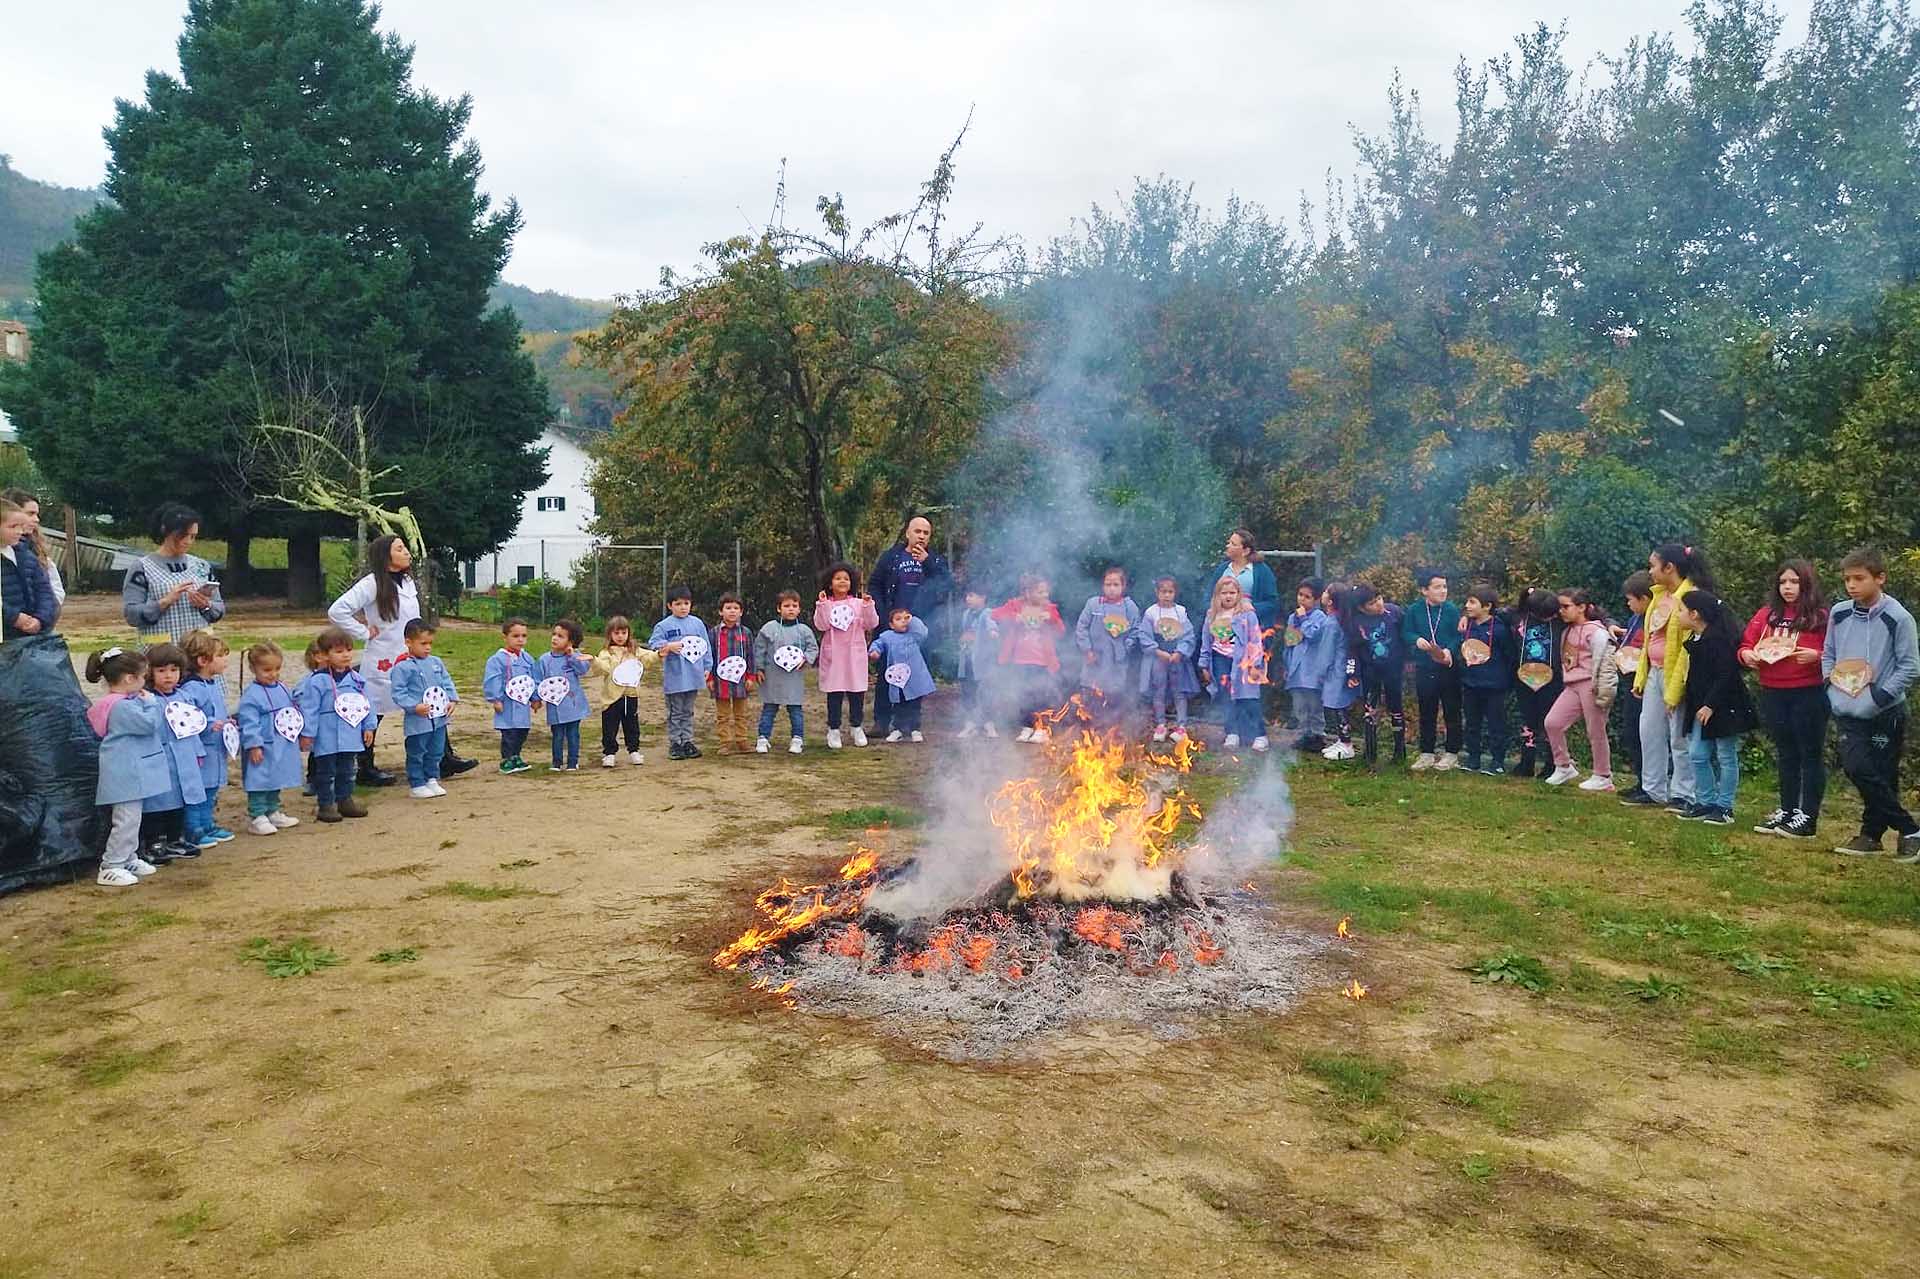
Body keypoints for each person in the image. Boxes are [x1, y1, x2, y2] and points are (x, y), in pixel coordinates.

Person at [328, 535, 478, 787]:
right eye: (399, 549)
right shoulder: (372, 583)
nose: (407, 552)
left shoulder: (408, 582)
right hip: (383, 659)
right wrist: (363, 632)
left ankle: (443, 758)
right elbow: (337, 610)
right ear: (386, 556)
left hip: (411, 655)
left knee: (428, 701)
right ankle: (365, 766)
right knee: (374, 710)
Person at [1823, 548, 1920, 861]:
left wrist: (1879, 696)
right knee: (1856, 767)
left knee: (1883, 773)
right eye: (1847, 579)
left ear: (1880, 578)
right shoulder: (1838, 613)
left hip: (1885, 711)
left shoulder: (1898, 618)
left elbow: (1909, 666)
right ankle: (1910, 828)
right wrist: (1830, 687)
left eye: (1859, 578)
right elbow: (1829, 654)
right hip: (1847, 708)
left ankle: (1871, 836)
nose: (1852, 585)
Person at [1739, 561, 1829, 839]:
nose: (1788, 588)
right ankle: (1787, 809)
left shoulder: (1821, 616)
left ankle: (1808, 816)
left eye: (1794, 582)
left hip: (1808, 691)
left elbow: (1836, 653)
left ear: (1806, 584)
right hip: (1772, 690)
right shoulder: (1767, 614)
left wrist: (1818, 657)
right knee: (1786, 751)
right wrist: (1747, 656)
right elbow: (1745, 644)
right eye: (1783, 582)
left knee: (1809, 753)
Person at [1636, 543, 1712, 813]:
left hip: (1676, 677)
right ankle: (1653, 788)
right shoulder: (1658, 596)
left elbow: (1685, 648)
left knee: (1678, 736)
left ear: (1670, 568)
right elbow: (1650, 638)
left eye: (1653, 566)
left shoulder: (1690, 597)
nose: (1650, 572)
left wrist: (1674, 690)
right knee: (1649, 730)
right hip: (1655, 672)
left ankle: (1684, 793)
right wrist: (1642, 676)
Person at [85, 647, 166, 887]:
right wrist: (152, 704)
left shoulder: (118, 703)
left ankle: (128, 857)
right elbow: (149, 724)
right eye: (143, 677)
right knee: (126, 820)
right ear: (130, 678)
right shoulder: (121, 706)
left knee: (132, 818)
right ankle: (111, 864)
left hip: (128, 771)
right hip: (125, 773)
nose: (145, 682)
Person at [1677, 590, 1755, 826]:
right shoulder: (1695, 640)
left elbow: (1725, 675)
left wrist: (1711, 704)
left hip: (1724, 707)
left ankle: (1724, 807)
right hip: (1700, 708)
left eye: (1681, 610)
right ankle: (1705, 801)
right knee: (1698, 754)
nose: (1678, 615)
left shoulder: (1718, 641)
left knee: (1725, 755)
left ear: (1695, 614)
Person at [868, 514, 952, 736]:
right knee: (887, 674)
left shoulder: (934, 560)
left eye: (926, 533)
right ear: (907, 533)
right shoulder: (891, 556)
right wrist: (883, 614)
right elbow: (875, 584)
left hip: (919, 631)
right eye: (917, 531)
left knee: (916, 676)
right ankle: (881, 722)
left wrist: (927, 562)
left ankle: (910, 724)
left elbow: (947, 584)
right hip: (890, 627)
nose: (921, 536)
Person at [1200, 528, 1281, 716]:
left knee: (1248, 684)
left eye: (1233, 543)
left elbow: (1272, 602)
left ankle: (1254, 727)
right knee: (1225, 683)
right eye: (1229, 542)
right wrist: (1212, 611)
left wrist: (1252, 607)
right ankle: (1232, 727)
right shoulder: (1223, 569)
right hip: (1223, 637)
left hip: (1250, 635)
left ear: (1245, 550)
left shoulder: (1260, 571)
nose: (1228, 546)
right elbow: (1211, 595)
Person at [297, 627, 374, 822]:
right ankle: (326, 805)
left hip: (350, 734)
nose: (346, 655)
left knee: (348, 770)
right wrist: (308, 734)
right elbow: (310, 710)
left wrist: (369, 726)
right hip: (326, 736)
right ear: (324, 655)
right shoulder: (317, 682)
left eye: (348, 650)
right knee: (326, 772)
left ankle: (345, 800)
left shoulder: (357, 679)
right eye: (339, 651)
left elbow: (366, 704)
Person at [1543, 589, 1615, 792]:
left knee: (1596, 730)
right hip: (1572, 684)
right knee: (1553, 722)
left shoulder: (1596, 631)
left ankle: (1603, 775)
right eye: (1560, 607)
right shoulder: (1566, 629)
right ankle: (1564, 766)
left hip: (1590, 684)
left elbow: (1605, 660)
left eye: (1566, 607)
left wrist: (1600, 686)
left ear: (1582, 607)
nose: (1561, 611)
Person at [122, 502, 225, 644]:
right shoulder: (142, 568)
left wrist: (205, 605)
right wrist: (164, 602)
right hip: (162, 657)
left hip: (200, 653)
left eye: (193, 536)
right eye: (183, 535)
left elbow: (219, 607)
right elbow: (131, 615)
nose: (188, 541)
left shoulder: (202, 566)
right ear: (166, 531)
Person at [141, 643, 206, 862]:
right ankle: (154, 842)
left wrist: (198, 752)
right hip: (160, 759)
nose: (168, 676)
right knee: (158, 802)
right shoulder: (147, 700)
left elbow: (193, 728)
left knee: (180, 800)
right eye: (161, 671)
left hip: (185, 757)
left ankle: (174, 839)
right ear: (150, 672)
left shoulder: (185, 697)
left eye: (173, 670)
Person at [236, 641, 305, 835]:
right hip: (264, 744)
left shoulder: (281, 687)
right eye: (267, 670)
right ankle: (257, 815)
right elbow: (248, 722)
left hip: (281, 741)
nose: (273, 674)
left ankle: (272, 810)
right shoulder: (252, 695)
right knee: (259, 779)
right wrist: (254, 744)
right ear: (253, 668)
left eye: (277, 669)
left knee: (276, 777)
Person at [991, 574, 1066, 743]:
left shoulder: (1050, 609)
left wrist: (1052, 619)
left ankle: (1042, 729)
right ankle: (1026, 727)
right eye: (1040, 592)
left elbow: (1061, 630)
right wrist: (1013, 617)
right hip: (1021, 661)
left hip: (1043, 662)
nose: (1045, 595)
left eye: (1046, 592)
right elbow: (994, 614)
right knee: (1024, 695)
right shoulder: (1016, 606)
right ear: (1027, 593)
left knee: (1041, 695)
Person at [389, 618, 460, 799]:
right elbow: (398, 693)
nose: (427, 648)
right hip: (418, 720)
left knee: (436, 750)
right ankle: (416, 782)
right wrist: (414, 706)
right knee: (417, 751)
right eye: (423, 643)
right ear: (408, 642)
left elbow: (446, 681)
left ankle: (432, 778)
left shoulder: (436, 662)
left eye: (430, 643)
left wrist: (452, 699)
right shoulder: (402, 667)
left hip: (439, 719)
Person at [179, 629, 237, 847]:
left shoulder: (211, 684)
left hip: (215, 747)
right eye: (221, 655)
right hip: (201, 749)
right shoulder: (191, 688)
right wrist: (210, 725)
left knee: (211, 787)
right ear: (203, 660)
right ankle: (194, 829)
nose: (225, 660)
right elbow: (189, 719)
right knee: (198, 789)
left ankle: (208, 824)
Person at [1200, 576, 1269, 753]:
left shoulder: (1247, 614)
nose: (1228, 596)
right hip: (1220, 660)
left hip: (1243, 662)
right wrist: (1205, 664)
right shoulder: (1212, 615)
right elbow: (1206, 641)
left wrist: (1255, 664)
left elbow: (1255, 640)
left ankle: (1260, 735)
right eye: (1224, 593)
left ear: (1239, 594)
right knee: (1226, 697)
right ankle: (1232, 732)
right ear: (1217, 595)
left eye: (1232, 592)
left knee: (1248, 699)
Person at [815, 562, 879, 750]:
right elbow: (821, 625)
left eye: (846, 578)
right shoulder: (825, 603)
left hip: (854, 654)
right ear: (830, 583)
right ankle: (833, 729)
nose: (842, 581)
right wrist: (823, 605)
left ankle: (856, 726)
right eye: (837, 578)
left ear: (852, 583)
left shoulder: (858, 604)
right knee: (834, 693)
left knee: (856, 692)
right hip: (834, 654)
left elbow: (871, 623)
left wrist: (868, 606)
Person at [1403, 570, 1463, 770]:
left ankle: (1452, 753)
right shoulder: (1414, 610)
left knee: (1451, 711)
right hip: (1425, 667)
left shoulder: (1452, 610)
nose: (1443, 591)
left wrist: (1448, 651)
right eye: (1437, 587)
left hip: (1447, 668)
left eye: (1444, 586)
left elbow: (1458, 636)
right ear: (1424, 590)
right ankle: (1426, 753)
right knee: (1427, 710)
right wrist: (1416, 640)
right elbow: (1406, 631)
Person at [650, 586, 713, 760]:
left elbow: (705, 646)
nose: (683, 607)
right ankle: (675, 743)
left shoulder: (697, 623)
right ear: (670, 606)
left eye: (686, 603)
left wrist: (708, 667)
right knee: (675, 711)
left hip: (694, 676)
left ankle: (687, 741)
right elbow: (653, 643)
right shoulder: (663, 626)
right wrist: (668, 646)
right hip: (676, 677)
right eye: (678, 604)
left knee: (688, 710)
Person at [1458, 583, 1514, 776]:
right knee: (1472, 723)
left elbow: (1509, 656)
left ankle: (1497, 761)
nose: (1467, 605)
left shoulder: (1499, 629)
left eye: (1472, 602)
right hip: (1471, 684)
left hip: (1494, 687)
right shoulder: (1466, 626)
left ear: (1487, 606)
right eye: (1467, 601)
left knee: (1496, 724)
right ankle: (1473, 758)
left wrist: (1504, 680)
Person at [754, 590, 818, 754]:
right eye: (786, 605)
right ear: (778, 608)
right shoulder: (769, 628)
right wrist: (759, 668)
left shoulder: (804, 630)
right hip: (772, 676)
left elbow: (812, 648)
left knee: (795, 710)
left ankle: (797, 739)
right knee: (769, 708)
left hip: (793, 677)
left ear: (799, 609)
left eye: (794, 606)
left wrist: (806, 659)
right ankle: (763, 738)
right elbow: (759, 649)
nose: (790, 609)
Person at [1137, 575, 1200, 743]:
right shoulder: (1151, 612)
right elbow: (1143, 635)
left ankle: (1181, 726)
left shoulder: (1180, 611)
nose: (1166, 595)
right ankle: (1160, 724)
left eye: (1170, 592)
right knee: (1159, 690)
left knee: (1179, 691)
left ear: (1175, 593)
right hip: (1159, 657)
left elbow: (1188, 635)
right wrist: (1157, 651)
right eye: (1163, 591)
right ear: (1157, 592)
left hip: (1177, 657)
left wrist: (1180, 652)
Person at [1075, 566, 1141, 724]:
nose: (1111, 589)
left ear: (1123, 586)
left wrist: (1127, 646)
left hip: (1116, 660)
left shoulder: (1129, 607)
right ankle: (1089, 727)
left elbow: (1136, 630)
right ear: (1102, 586)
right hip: (1095, 658)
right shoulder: (1093, 604)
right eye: (1108, 584)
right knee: (1091, 691)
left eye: (1116, 585)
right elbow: (1081, 627)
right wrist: (1087, 649)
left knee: (1113, 692)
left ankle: (1111, 727)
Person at [1350, 585, 1406, 769]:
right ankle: (1370, 752)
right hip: (1370, 672)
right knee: (1370, 709)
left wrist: (1410, 659)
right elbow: (1353, 650)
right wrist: (1352, 672)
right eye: (1372, 603)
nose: (1378, 604)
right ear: (1361, 608)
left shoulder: (1395, 613)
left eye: (1379, 599)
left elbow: (1406, 636)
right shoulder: (1357, 622)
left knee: (1396, 707)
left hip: (1393, 669)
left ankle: (1400, 751)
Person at [1512, 589, 1563, 779]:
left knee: (1551, 722)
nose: (1549, 618)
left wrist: (1610, 624)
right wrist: (1466, 618)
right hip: (1524, 680)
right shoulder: (1519, 617)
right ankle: (1527, 763)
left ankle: (1553, 765)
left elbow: (1595, 615)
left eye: (1552, 615)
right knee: (1528, 721)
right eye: (1544, 616)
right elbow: (1492, 613)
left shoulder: (1560, 620)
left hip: (1552, 681)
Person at [1613, 572, 1654, 804]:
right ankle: (1641, 780)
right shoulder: (1633, 620)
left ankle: (1651, 784)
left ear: (1645, 599)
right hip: (1630, 680)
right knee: (1632, 732)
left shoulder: (1652, 620)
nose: (1628, 604)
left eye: (1631, 599)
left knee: (1646, 735)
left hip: (1646, 683)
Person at [591, 616, 651, 767]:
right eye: (616, 633)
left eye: (623, 633)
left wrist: (660, 654)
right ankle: (609, 753)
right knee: (610, 726)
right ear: (610, 634)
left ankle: (634, 751)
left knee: (631, 725)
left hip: (630, 696)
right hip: (611, 698)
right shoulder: (606, 653)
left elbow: (648, 657)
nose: (620, 636)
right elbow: (603, 668)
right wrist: (593, 660)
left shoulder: (634, 651)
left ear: (628, 634)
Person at [483, 617, 540, 775]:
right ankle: (506, 759)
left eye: (524, 636)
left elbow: (533, 679)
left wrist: (535, 698)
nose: (520, 640)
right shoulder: (497, 660)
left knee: (522, 731)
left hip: (522, 705)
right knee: (509, 733)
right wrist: (496, 698)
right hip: (507, 704)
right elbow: (493, 679)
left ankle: (516, 756)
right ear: (505, 637)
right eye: (515, 636)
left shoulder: (527, 659)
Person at [870, 607, 935, 742]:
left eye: (906, 618)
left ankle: (915, 729)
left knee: (914, 705)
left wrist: (912, 620)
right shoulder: (887, 636)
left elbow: (923, 632)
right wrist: (874, 651)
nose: (903, 621)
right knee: (899, 704)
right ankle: (898, 729)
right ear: (891, 624)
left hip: (914, 678)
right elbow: (878, 643)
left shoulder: (914, 635)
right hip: (897, 679)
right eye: (898, 619)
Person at [1281, 579, 1332, 751]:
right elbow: (1290, 642)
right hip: (1296, 670)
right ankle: (1304, 735)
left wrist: (1303, 619)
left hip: (1312, 670)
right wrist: (1287, 666)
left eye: (1307, 597)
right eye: (1300, 595)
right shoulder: (1292, 618)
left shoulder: (1320, 617)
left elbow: (1313, 635)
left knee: (1314, 705)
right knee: (1299, 706)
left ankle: (1318, 736)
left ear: (1316, 599)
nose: (1302, 599)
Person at [537, 618, 592, 772]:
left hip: (573, 704)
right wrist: (537, 698)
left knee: (573, 734)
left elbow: (582, 670)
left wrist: (572, 656)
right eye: (554, 634)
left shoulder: (575, 656)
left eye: (560, 636)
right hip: (555, 706)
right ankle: (556, 762)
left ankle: (573, 762)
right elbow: (538, 681)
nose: (555, 638)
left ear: (570, 641)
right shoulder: (544, 659)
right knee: (557, 734)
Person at [3, 489, 63, 624]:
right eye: (30, 513)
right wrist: (15, 617)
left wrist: (41, 618)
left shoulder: (32, 552)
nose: (36, 519)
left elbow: (50, 588)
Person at [708, 594, 757, 755]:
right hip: (720, 682)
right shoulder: (714, 633)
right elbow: (709, 657)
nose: (732, 612)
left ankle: (742, 740)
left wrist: (751, 677)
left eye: (736, 608)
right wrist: (709, 678)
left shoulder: (746, 633)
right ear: (721, 612)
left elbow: (751, 656)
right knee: (723, 715)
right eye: (728, 608)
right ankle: (725, 742)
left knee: (741, 714)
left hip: (741, 681)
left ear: (741, 612)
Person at [1, 499, 54, 640]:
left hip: (32, 636)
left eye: (21, 526)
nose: (20, 531)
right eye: (12, 526)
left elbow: (44, 590)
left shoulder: (27, 556)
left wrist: (40, 619)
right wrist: (14, 618)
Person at [1319, 582, 1360, 760]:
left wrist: (1320, 671)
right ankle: (1341, 740)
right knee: (1339, 706)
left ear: (1330, 601)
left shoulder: (1331, 623)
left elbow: (1326, 651)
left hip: (1336, 671)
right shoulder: (1342, 619)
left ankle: (1346, 744)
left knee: (1338, 707)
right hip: (1342, 669)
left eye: (1326, 592)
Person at [954, 586, 999, 739]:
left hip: (982, 660)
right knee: (968, 691)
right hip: (966, 659)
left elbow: (991, 626)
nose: (968, 599)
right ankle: (970, 723)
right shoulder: (966, 614)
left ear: (983, 597)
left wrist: (993, 632)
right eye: (967, 595)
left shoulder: (987, 613)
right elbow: (965, 632)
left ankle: (988, 723)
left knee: (986, 691)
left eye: (972, 595)